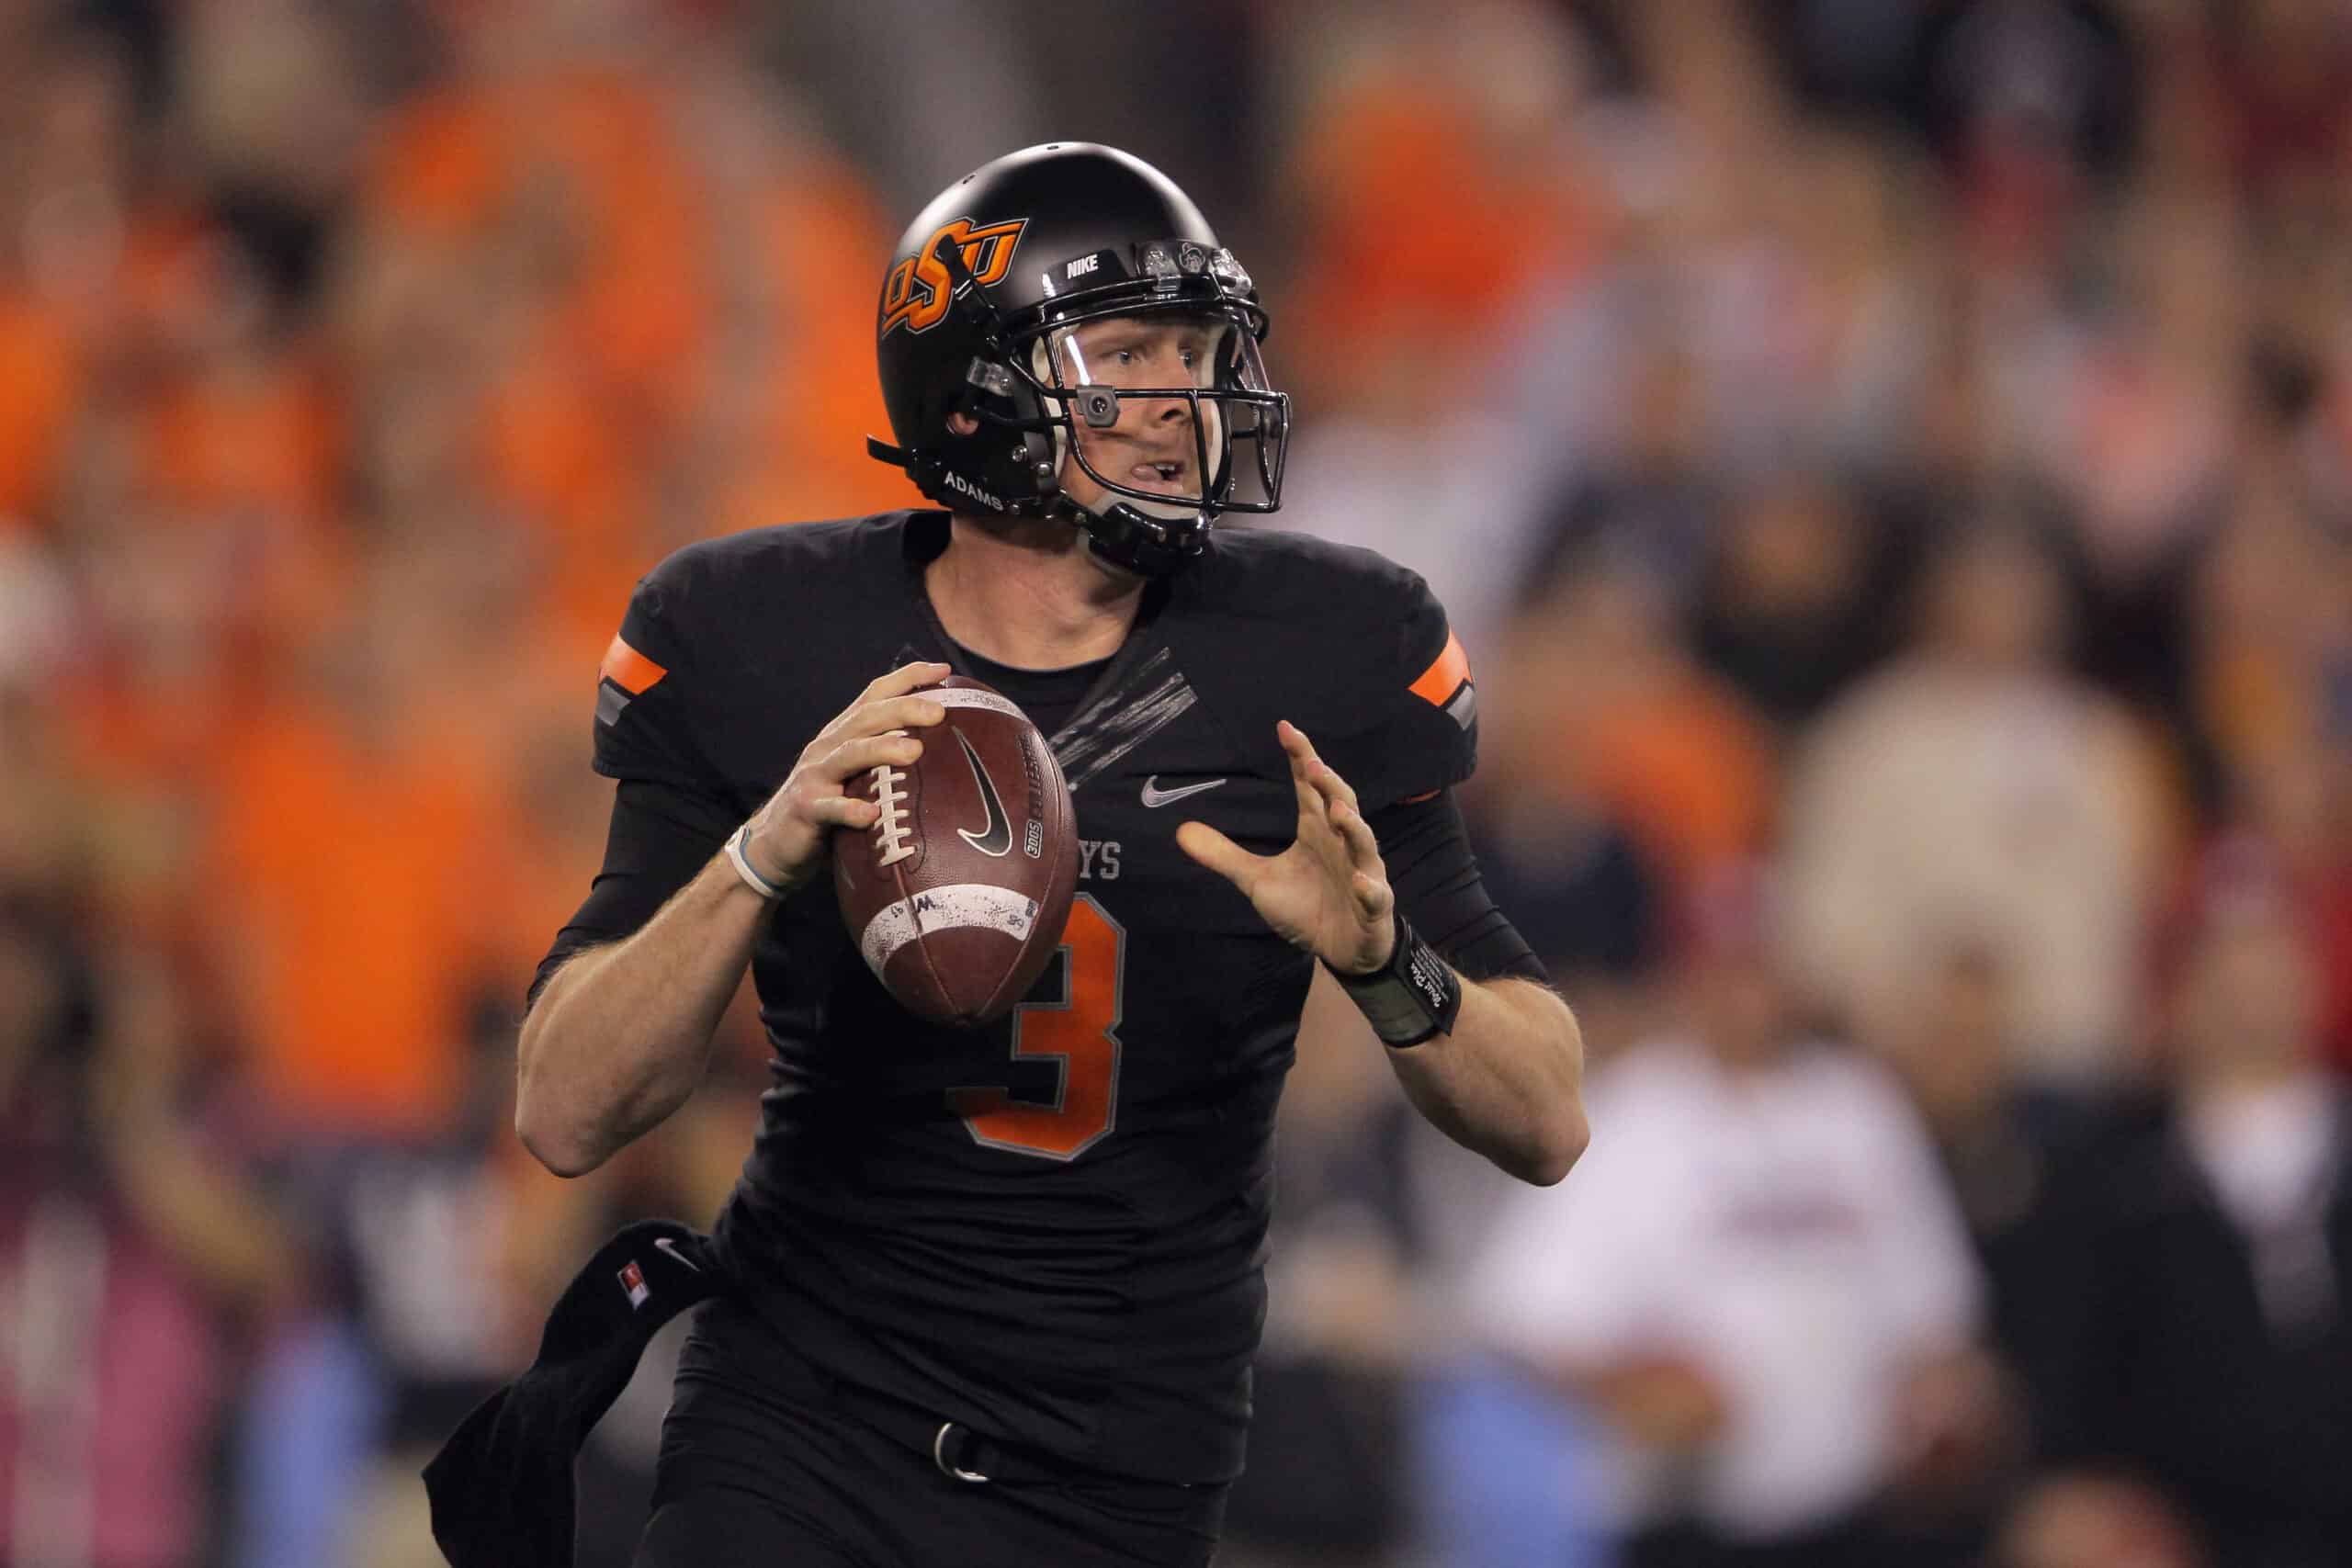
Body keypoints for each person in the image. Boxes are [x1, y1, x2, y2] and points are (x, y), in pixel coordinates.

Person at [435, 142, 1587, 1568]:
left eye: (1195, 350)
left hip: (1124, 1463)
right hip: (800, 1427)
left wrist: (1382, 958)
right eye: (1127, 353)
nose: (1182, 401)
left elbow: (1545, 1119)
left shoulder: (1326, 648)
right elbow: (562, 1109)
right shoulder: (760, 634)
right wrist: (760, 854)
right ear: (978, 388)